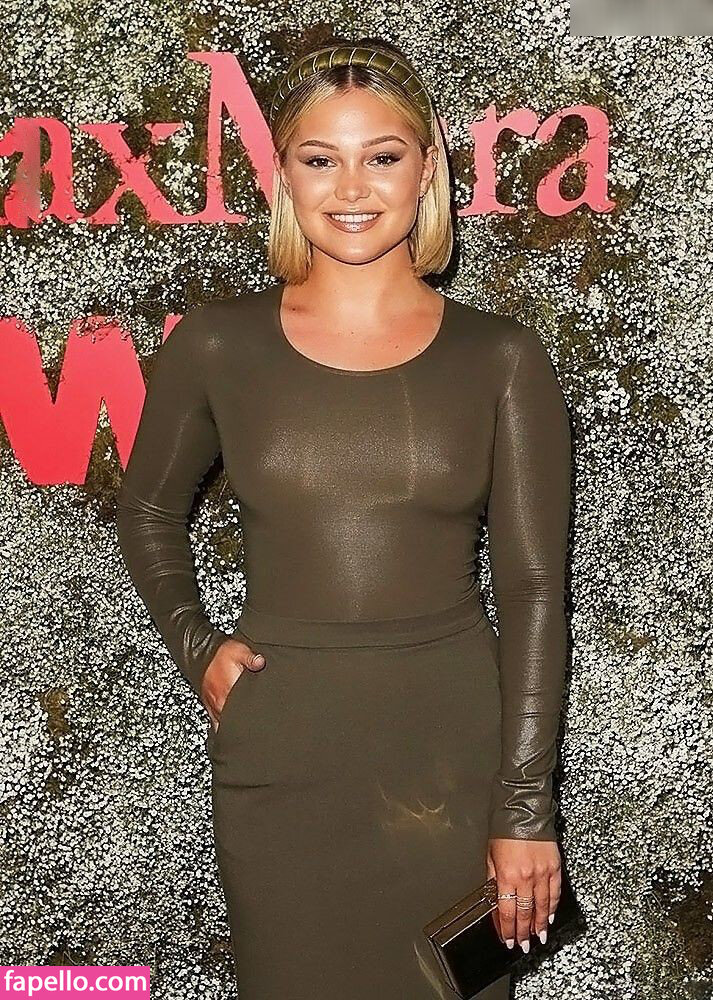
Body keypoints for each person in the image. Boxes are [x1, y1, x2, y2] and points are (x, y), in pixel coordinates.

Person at [116, 37, 572, 1000]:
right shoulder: (217, 345)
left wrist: (524, 806)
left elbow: (534, 593)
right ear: (281, 174)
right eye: (320, 157)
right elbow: (147, 509)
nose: (351, 187)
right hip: (284, 750)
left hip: (451, 757)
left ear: (427, 168)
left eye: (383, 155)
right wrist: (196, 646)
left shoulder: (501, 357)